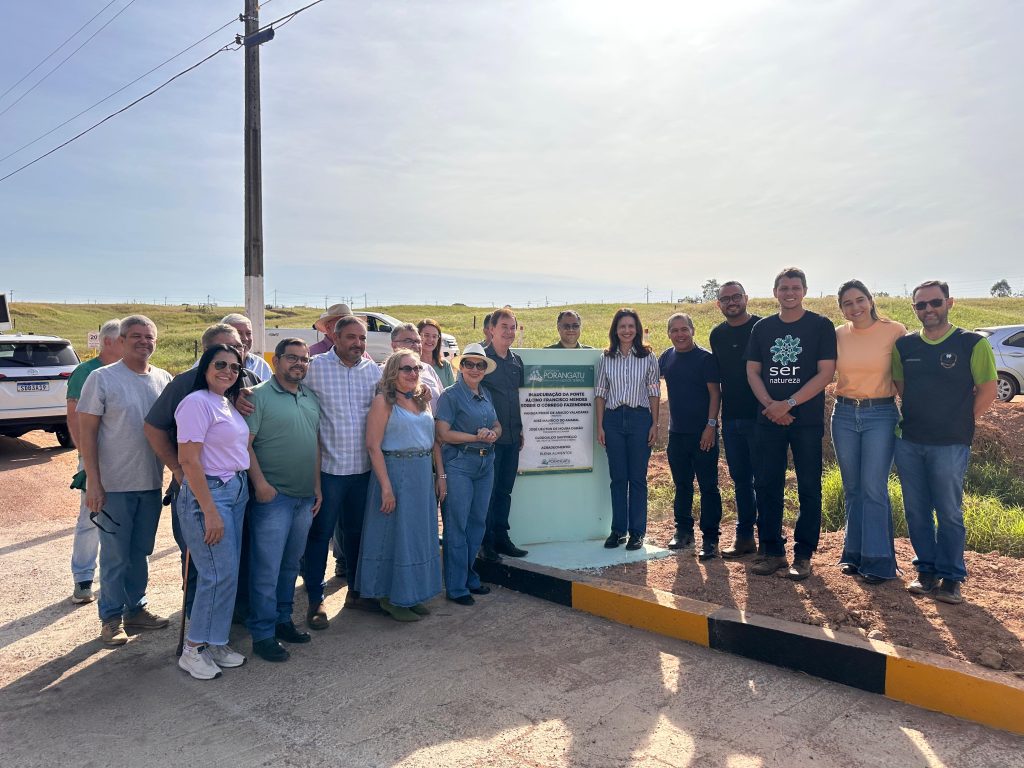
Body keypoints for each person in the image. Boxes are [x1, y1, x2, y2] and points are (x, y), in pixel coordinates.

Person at [893, 280, 997, 605]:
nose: (929, 310)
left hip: (951, 444)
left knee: (949, 511)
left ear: (949, 303)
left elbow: (989, 389)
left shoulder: (972, 344)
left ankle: (952, 577)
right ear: (914, 309)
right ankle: (926, 570)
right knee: (916, 510)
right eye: (921, 305)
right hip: (909, 441)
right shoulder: (905, 346)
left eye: (935, 303)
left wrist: (960, 421)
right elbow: (901, 386)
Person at [144, 323, 256, 618]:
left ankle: (226, 622)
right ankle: (197, 628)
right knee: (200, 564)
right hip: (202, 487)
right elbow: (153, 427)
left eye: (242, 344)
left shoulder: (246, 379)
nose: (238, 349)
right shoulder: (186, 385)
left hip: (237, 486)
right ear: (207, 354)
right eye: (226, 350)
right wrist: (179, 470)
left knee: (232, 561)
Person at [76, 315, 173, 646]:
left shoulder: (163, 379)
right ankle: (111, 618)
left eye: (150, 336)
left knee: (141, 551)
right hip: (114, 486)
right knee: (115, 555)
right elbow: (86, 434)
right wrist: (94, 482)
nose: (143, 341)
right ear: (120, 340)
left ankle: (136, 609)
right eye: (136, 336)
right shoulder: (102, 379)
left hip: (150, 484)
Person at [745, 268, 837, 580]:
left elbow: (825, 373)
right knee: (767, 484)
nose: (789, 293)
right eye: (784, 288)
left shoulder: (820, 326)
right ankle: (772, 551)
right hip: (768, 419)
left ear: (805, 290)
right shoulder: (762, 328)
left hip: (806, 421)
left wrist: (790, 403)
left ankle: (804, 555)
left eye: (795, 287)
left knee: (809, 486)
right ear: (775, 292)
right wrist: (772, 405)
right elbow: (753, 372)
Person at [174, 344, 251, 679]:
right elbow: (189, 460)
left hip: (234, 488)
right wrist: (209, 511)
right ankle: (193, 649)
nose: (228, 371)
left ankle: (215, 641)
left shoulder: (224, 403)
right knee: (215, 574)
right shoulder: (195, 403)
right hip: (210, 495)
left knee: (228, 572)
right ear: (206, 366)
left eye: (235, 367)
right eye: (221, 364)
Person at [301, 315, 382, 628]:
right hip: (329, 470)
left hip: (363, 470)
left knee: (358, 533)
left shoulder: (372, 371)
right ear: (335, 338)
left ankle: (357, 592)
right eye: (351, 337)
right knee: (320, 535)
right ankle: (315, 599)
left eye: (361, 338)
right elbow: (287, 386)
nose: (357, 344)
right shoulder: (315, 368)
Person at [244, 339, 322, 662]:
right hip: (273, 498)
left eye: (305, 360)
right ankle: (262, 633)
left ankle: (282, 620)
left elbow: (315, 444)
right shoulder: (257, 397)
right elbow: (244, 445)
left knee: (290, 565)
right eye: (293, 358)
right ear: (276, 360)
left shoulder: (310, 397)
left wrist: (317, 487)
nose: (300, 364)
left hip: (304, 498)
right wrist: (260, 483)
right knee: (266, 567)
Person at [356, 350, 444, 620]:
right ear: (394, 371)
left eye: (416, 368)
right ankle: (389, 597)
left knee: (417, 536)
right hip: (395, 472)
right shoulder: (384, 402)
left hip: (421, 474)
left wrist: (440, 476)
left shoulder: (422, 400)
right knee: (393, 534)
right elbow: (373, 446)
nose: (413, 373)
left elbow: (433, 442)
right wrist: (386, 487)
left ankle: (411, 593)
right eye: (406, 368)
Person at [832, 280, 907, 584]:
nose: (855, 307)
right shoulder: (837, 335)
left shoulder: (895, 330)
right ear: (842, 309)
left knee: (874, 487)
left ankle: (879, 561)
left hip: (882, 413)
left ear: (870, 300)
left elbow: (904, 375)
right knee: (853, 488)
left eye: (860, 300)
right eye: (848, 303)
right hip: (845, 413)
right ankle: (854, 553)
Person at [435, 343, 501, 605]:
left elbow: (496, 423)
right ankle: (456, 586)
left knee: (477, 524)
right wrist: (476, 436)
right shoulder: (450, 396)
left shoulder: (485, 394)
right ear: (461, 367)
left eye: (480, 365)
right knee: (457, 525)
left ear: (485, 370)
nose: (474, 369)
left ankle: (469, 576)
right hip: (460, 464)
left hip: (485, 464)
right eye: (469, 364)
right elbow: (442, 434)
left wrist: (494, 433)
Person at [65, 318, 121, 604]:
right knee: (90, 518)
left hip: (124, 462)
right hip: (93, 461)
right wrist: (86, 461)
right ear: (109, 342)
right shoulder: (86, 372)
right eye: (123, 339)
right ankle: (83, 577)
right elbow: (74, 419)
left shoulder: (127, 371)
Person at [595, 308, 661, 550]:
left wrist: (655, 423)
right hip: (613, 420)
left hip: (639, 419)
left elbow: (654, 391)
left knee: (637, 479)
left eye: (631, 326)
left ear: (638, 329)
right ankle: (618, 530)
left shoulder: (648, 357)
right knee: (618, 478)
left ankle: (637, 532)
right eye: (622, 326)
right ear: (615, 330)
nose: (626, 331)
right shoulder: (606, 358)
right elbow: (600, 393)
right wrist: (600, 425)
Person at [659, 313, 722, 559]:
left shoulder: (705, 359)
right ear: (669, 334)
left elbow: (715, 395)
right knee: (682, 485)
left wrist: (710, 426)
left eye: (684, 329)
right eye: (674, 330)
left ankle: (710, 538)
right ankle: (683, 531)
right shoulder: (666, 357)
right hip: (677, 434)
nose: (679, 334)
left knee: (708, 487)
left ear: (693, 330)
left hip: (703, 433)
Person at [709, 282, 763, 558]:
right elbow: (717, 380)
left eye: (736, 297)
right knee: (740, 479)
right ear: (718, 304)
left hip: (762, 417)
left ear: (746, 298)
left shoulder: (763, 328)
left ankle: (769, 539)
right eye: (726, 299)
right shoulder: (716, 335)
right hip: (731, 418)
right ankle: (744, 537)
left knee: (765, 479)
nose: (732, 302)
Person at [480, 308, 528, 561]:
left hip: (512, 438)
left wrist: (519, 429)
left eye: (512, 327)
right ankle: (485, 543)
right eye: (504, 327)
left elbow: (520, 398)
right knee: (488, 492)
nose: (509, 332)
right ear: (491, 329)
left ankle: (502, 537)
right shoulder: (482, 361)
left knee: (504, 491)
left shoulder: (516, 362)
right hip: (489, 441)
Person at [390, 324, 445, 406]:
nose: (415, 345)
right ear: (394, 345)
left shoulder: (428, 369)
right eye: (408, 341)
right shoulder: (382, 372)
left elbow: (443, 399)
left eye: (418, 341)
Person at [219, 312, 273, 381]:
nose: (245, 338)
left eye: (248, 333)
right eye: (238, 333)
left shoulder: (261, 364)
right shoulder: (209, 363)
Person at [418, 318, 456, 388]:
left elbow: (453, 393)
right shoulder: (412, 366)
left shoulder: (445, 365)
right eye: (426, 335)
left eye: (434, 336)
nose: (431, 339)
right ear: (418, 336)